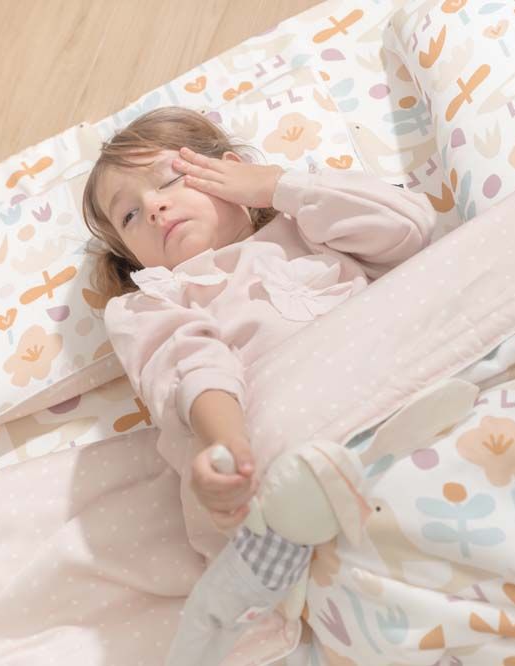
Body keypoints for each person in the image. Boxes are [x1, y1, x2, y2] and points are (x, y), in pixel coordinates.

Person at [81, 104, 435, 564]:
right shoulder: (151, 302)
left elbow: (410, 229)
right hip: (287, 446)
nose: (153, 207)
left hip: (400, 386)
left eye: (171, 179)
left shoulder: (309, 224)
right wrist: (227, 445)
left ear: (232, 171)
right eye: (128, 215)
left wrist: (275, 186)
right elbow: (189, 362)